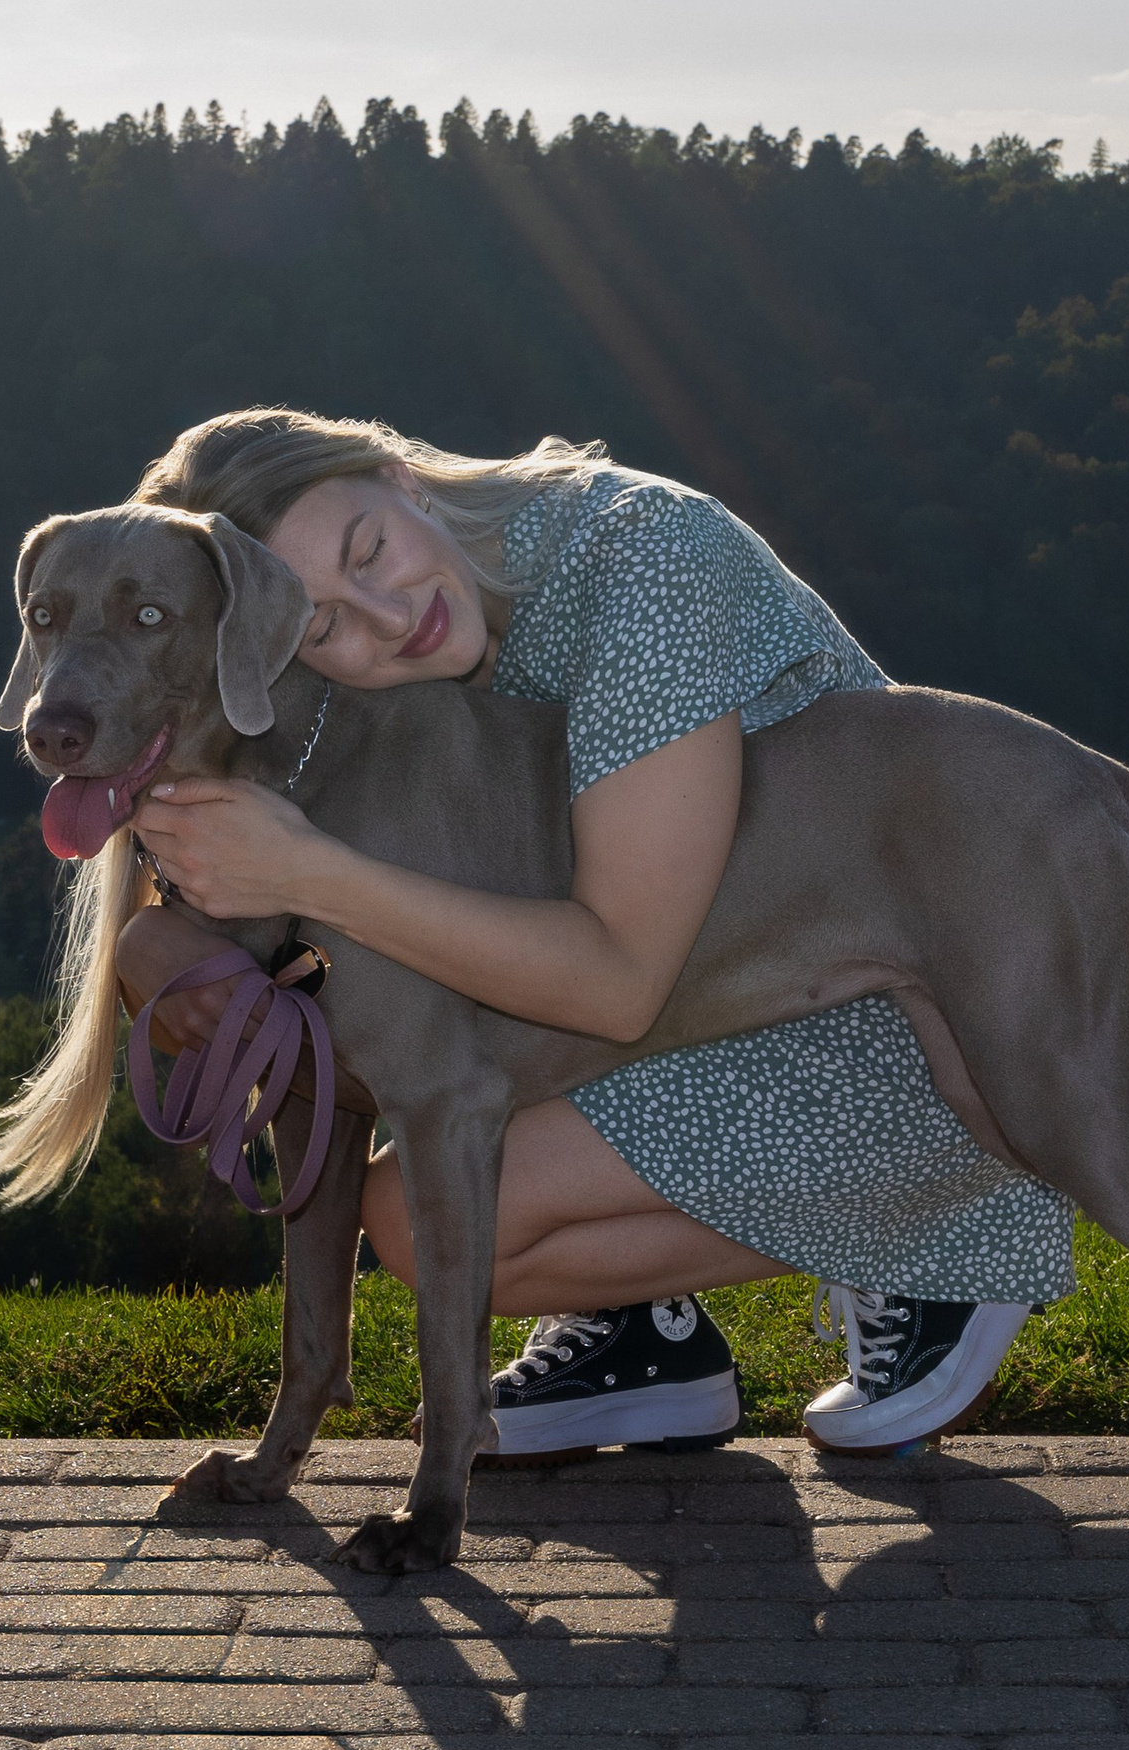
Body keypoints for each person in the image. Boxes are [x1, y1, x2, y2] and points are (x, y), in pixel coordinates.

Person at [117, 407, 1076, 1456]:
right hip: (684, 1012)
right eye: (320, 625)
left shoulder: (643, 562)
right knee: (430, 1148)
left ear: (402, 479)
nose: (386, 618)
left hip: (879, 1012)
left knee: (424, 1221)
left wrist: (313, 873)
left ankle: (928, 1231)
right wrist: (159, 939)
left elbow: (616, 979)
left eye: (369, 550)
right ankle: (645, 1339)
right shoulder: (395, 665)